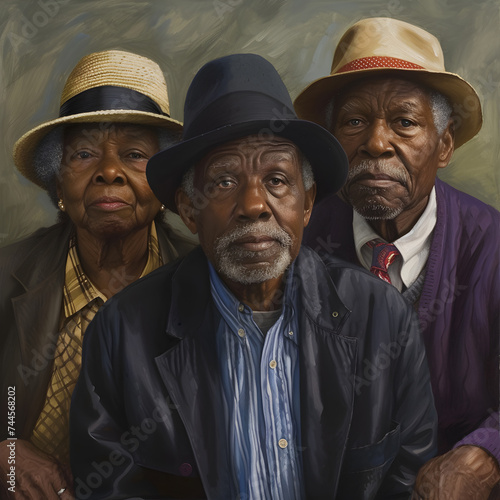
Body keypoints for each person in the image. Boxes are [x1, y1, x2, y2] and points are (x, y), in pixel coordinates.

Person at [70, 52, 436, 500]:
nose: (254, 204)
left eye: (277, 179)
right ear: (188, 210)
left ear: (306, 203)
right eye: (224, 182)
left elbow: (408, 479)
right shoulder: (120, 334)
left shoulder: (383, 319)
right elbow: (108, 488)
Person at [294, 17, 500, 499]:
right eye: (354, 122)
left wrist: (485, 455)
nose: (376, 143)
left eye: (404, 122)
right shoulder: (296, 239)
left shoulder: (492, 245)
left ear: (444, 144)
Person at [0, 49, 198, 499]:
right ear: (56, 184)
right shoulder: (7, 274)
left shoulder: (207, 284)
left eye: (133, 154)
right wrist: (6, 453)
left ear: (165, 184)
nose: (109, 172)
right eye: (85, 154)